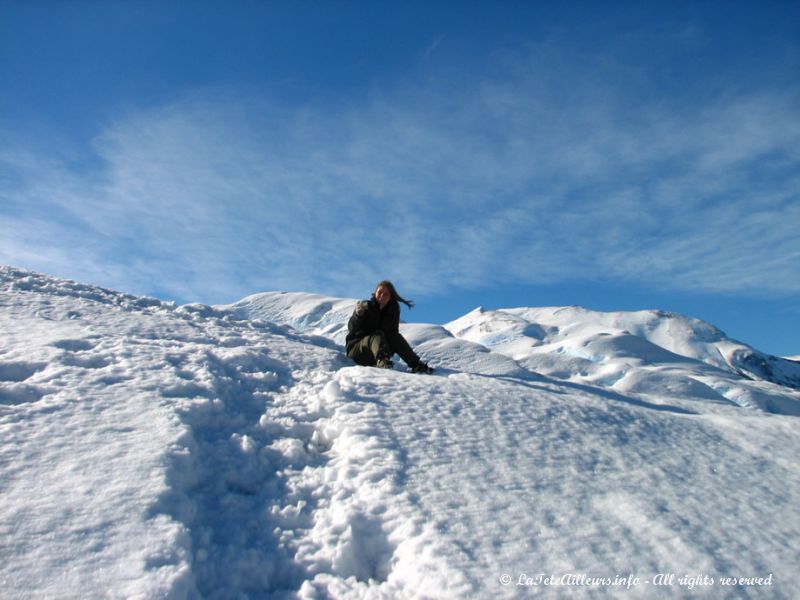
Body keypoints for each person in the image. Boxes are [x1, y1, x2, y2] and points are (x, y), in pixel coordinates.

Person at [345, 281, 433, 373]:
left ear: (391, 296)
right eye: (379, 292)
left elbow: (393, 333)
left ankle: (416, 364)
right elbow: (352, 328)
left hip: (377, 351)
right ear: (375, 293)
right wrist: (358, 315)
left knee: (395, 337)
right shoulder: (366, 307)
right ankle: (383, 362)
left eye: (386, 294)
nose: (382, 296)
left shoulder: (392, 311)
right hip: (358, 351)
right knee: (376, 335)